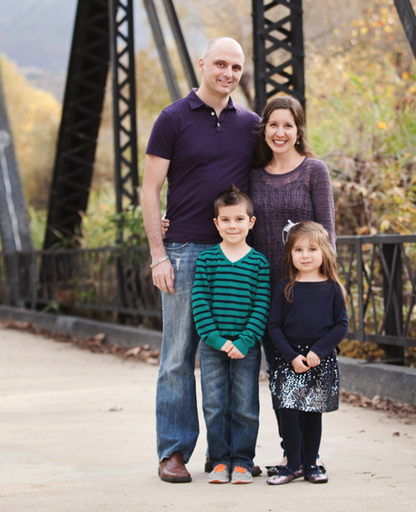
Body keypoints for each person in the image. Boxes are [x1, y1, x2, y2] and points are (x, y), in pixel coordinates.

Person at [142, 37, 260, 483]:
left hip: (235, 255)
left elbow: (271, 177)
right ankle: (173, 452)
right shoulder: (172, 119)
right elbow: (150, 189)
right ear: (202, 64)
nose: (228, 73)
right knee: (177, 355)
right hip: (184, 249)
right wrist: (158, 254)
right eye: (220, 64)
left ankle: (226, 454)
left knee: (230, 356)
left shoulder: (250, 125)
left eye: (236, 66)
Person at [249, 95, 337, 474]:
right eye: (273, 125)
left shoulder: (314, 171)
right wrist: (172, 217)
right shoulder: (252, 174)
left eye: (288, 125)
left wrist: (328, 285)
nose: (280, 132)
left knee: (310, 378)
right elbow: (231, 215)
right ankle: (292, 456)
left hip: (309, 292)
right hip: (268, 293)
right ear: (264, 129)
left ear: (299, 129)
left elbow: (328, 233)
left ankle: (310, 457)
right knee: (282, 377)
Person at [192, 185, 270, 484]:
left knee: (245, 406)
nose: (232, 225)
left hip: (246, 348)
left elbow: (261, 305)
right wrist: (217, 340)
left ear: (251, 222)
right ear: (216, 223)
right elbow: (199, 302)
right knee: (214, 406)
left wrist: (244, 341)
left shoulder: (258, 262)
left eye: (239, 219)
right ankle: (220, 461)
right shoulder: (207, 260)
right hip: (213, 347)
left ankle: (242, 461)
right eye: (225, 220)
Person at [265, 221, 349, 485]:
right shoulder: (284, 288)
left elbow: (341, 325)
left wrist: (319, 351)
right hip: (289, 360)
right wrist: (291, 356)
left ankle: (312, 463)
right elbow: (274, 326)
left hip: (318, 360)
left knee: (313, 413)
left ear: (324, 251)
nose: (305, 255)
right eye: (298, 250)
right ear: (290, 254)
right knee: (288, 411)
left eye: (312, 249)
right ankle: (291, 465)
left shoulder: (333, 289)